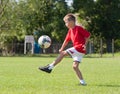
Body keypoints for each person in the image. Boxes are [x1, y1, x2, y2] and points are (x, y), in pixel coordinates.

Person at [39, 13, 91, 85]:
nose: (65, 24)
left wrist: (85, 44)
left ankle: (49, 67)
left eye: (66, 22)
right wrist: (61, 48)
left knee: (63, 53)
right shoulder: (70, 31)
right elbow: (66, 41)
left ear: (71, 22)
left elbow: (88, 35)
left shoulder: (78, 28)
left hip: (79, 48)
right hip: (79, 51)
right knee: (75, 67)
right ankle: (83, 82)